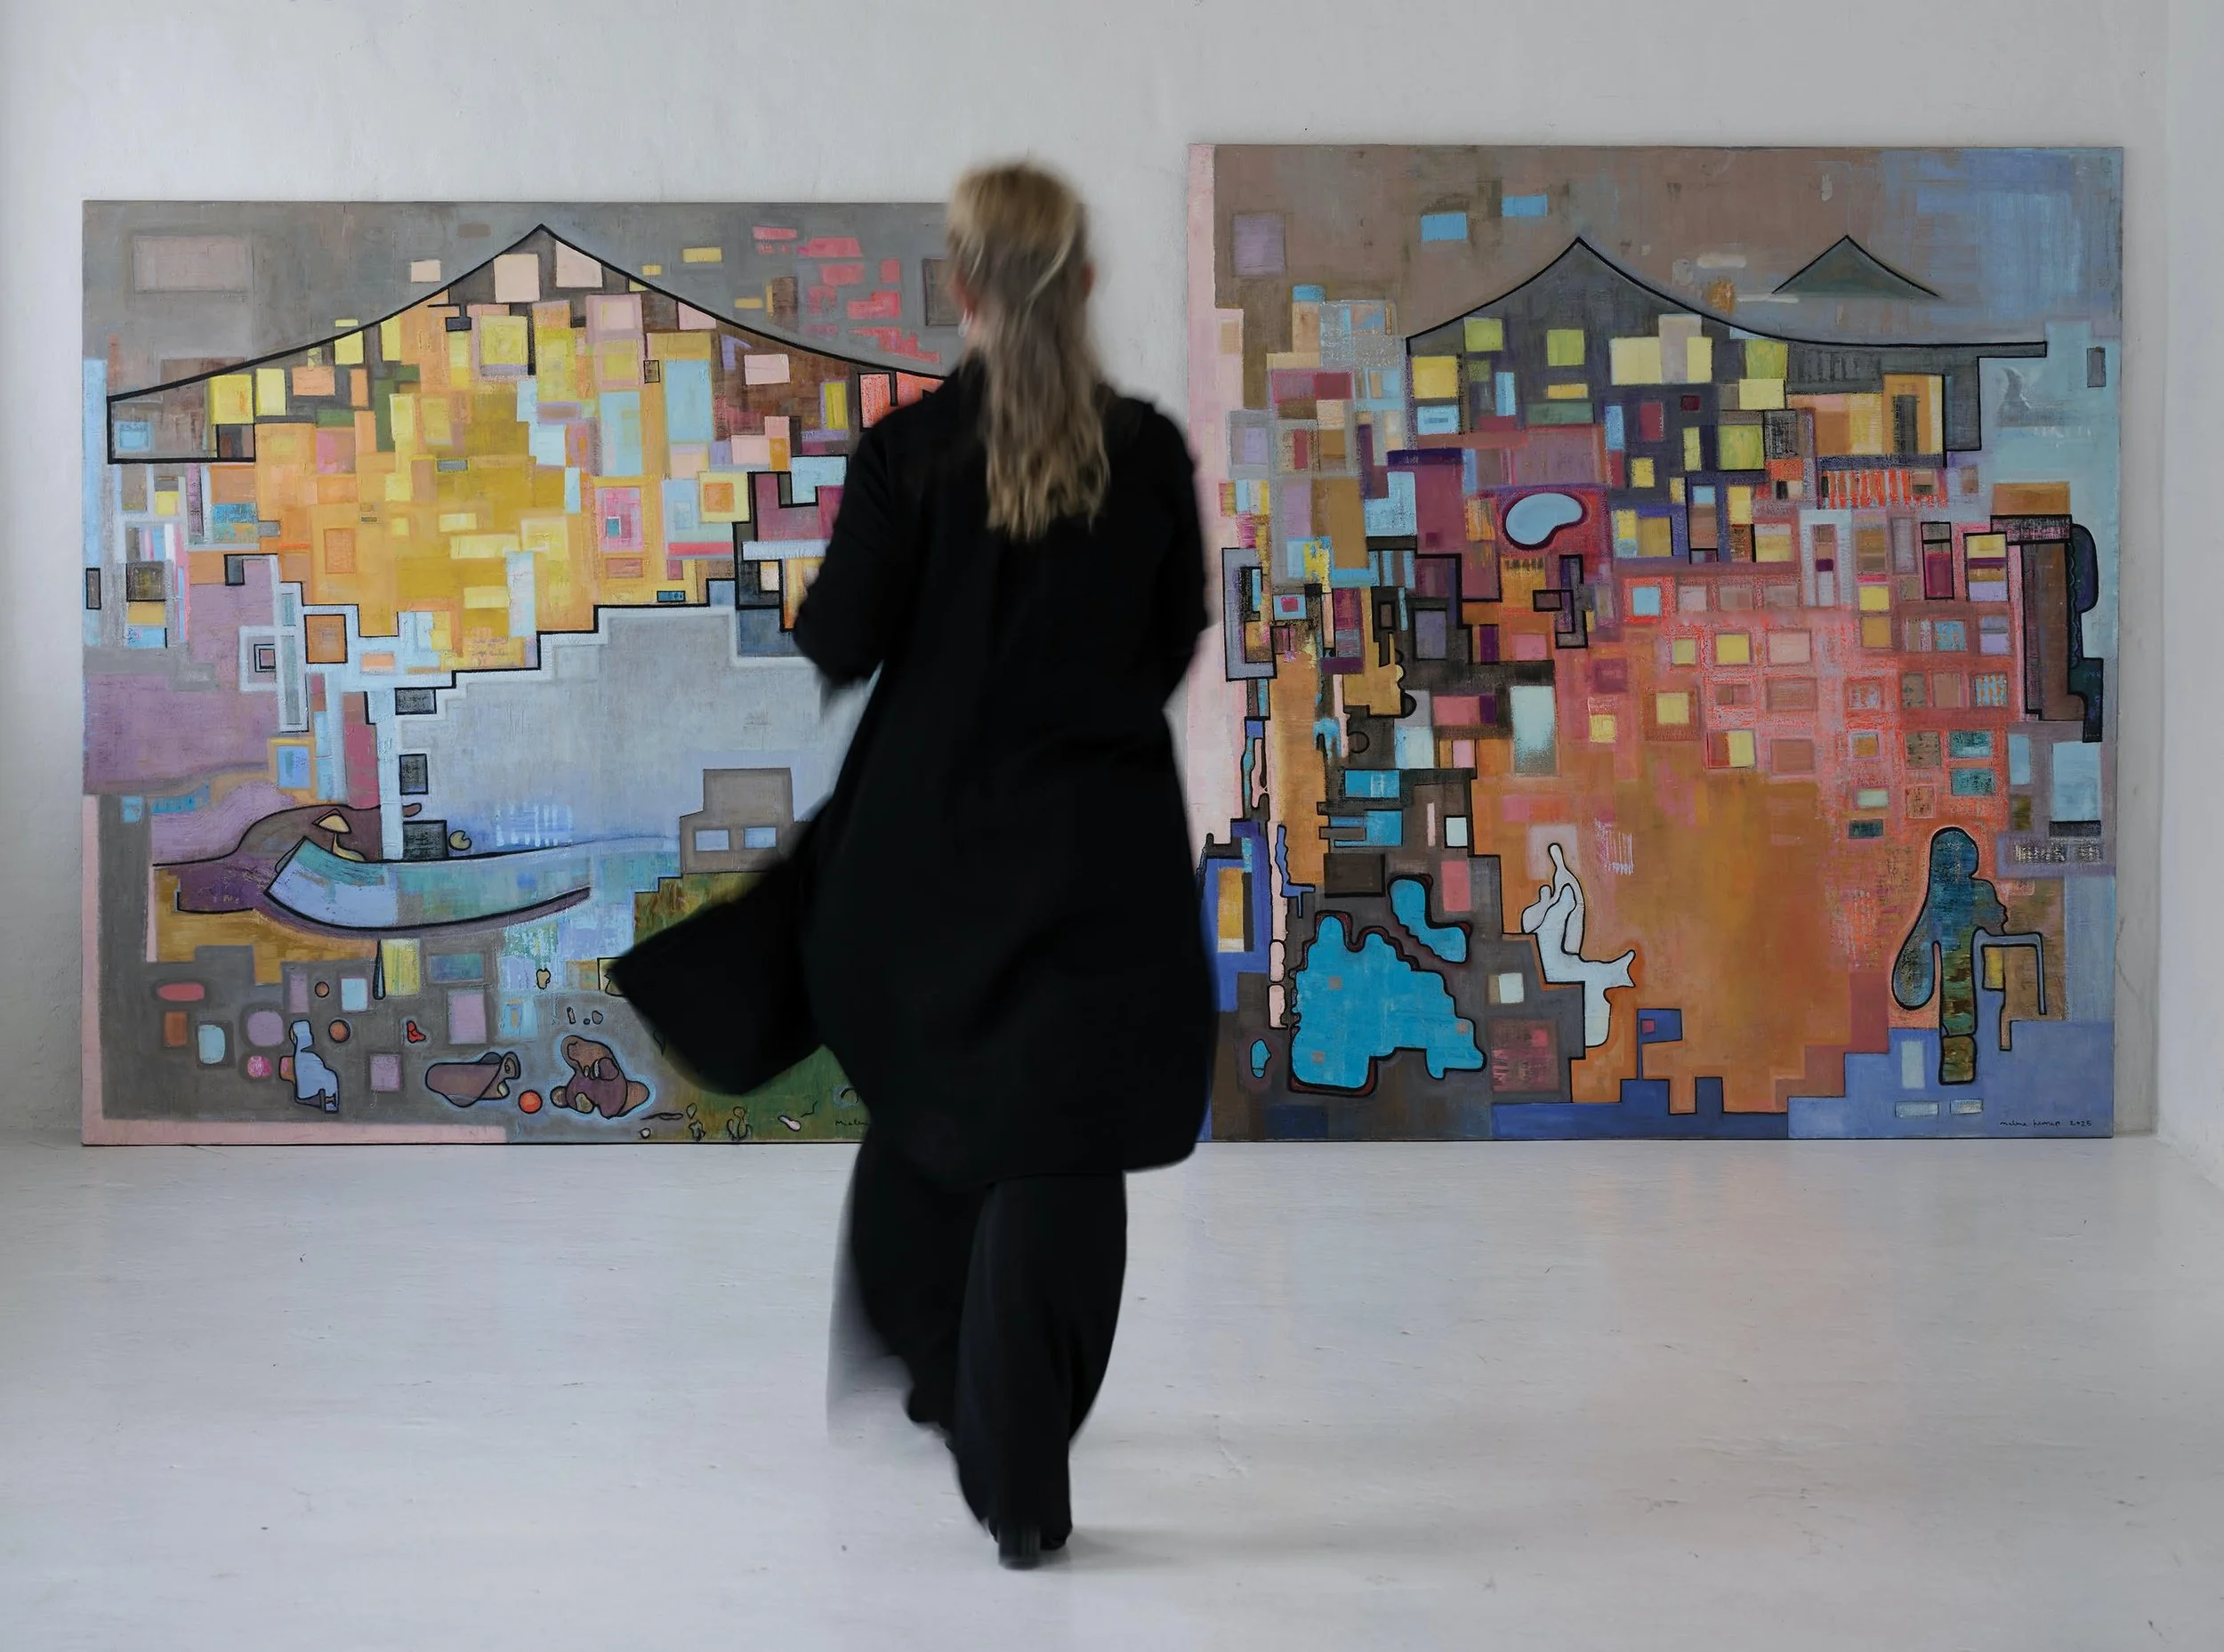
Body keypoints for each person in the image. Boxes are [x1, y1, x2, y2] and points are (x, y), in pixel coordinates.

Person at [791, 162, 1215, 1569]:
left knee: (949, 1097)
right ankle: (1019, 1472)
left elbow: (839, 641)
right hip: (1100, 846)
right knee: (1061, 1138)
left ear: (960, 292)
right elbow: (1170, 643)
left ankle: (937, 1370)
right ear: (1084, 284)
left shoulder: (906, 459)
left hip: (931, 850)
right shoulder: (1147, 451)